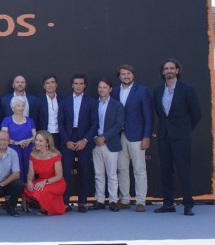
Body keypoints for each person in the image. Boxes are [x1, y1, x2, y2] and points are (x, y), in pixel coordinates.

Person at [153, 58, 202, 216]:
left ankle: (188, 204)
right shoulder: (158, 90)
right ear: (162, 72)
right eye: (166, 69)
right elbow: (160, 114)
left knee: (184, 170)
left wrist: (185, 130)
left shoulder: (188, 89)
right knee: (166, 171)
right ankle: (168, 204)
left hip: (181, 136)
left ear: (177, 70)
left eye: (171, 68)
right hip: (164, 136)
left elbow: (196, 114)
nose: (169, 71)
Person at [110, 64, 153, 212]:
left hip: (137, 136)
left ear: (133, 75)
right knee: (122, 169)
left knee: (139, 169)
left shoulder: (142, 91)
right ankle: (125, 199)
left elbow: (148, 116)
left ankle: (141, 201)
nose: (126, 76)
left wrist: (147, 136)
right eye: (123, 74)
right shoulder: (114, 91)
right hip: (119, 136)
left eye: (128, 74)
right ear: (119, 76)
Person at [58, 74, 98, 213]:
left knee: (85, 172)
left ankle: (82, 202)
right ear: (72, 85)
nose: (78, 86)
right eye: (76, 83)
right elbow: (60, 123)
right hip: (68, 137)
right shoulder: (64, 101)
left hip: (84, 138)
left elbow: (94, 124)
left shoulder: (92, 102)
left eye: (81, 84)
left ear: (85, 85)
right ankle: (65, 202)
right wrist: (66, 140)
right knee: (66, 172)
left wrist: (85, 140)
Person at [91, 79, 125, 211]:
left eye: (104, 87)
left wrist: (104, 137)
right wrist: (95, 137)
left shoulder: (117, 105)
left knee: (111, 174)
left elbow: (118, 125)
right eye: (100, 87)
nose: (101, 90)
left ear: (110, 89)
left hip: (110, 143)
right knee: (98, 174)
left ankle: (112, 201)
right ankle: (99, 200)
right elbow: (90, 123)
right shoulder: (94, 104)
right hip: (95, 143)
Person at [23, 131, 66, 215]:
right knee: (26, 188)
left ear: (47, 143)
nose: (37, 143)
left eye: (40, 141)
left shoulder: (55, 155)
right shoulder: (33, 154)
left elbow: (59, 176)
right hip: (41, 181)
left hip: (55, 182)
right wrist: (29, 181)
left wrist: (45, 182)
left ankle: (44, 209)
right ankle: (46, 205)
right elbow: (31, 172)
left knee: (41, 190)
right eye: (36, 140)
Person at [0, 96, 36, 181]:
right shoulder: (7, 120)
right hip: (12, 151)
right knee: (15, 172)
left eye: (23, 106)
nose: (21, 108)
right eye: (18, 105)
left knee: (29, 171)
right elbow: (3, 138)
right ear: (13, 108)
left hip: (29, 150)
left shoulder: (30, 120)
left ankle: (29, 192)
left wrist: (29, 140)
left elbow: (35, 136)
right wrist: (17, 143)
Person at [37, 74, 63, 150]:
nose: (50, 85)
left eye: (52, 82)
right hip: (44, 135)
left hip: (59, 135)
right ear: (44, 86)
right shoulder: (38, 101)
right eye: (47, 83)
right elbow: (36, 119)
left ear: (56, 84)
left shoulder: (63, 100)